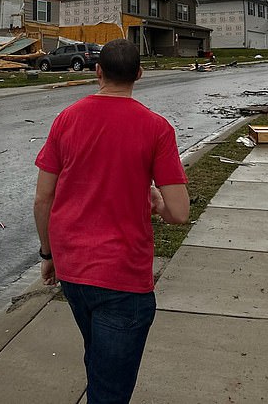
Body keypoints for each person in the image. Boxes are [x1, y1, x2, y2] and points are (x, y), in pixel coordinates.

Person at [34, 38, 189, 404]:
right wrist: (155, 201)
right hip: (123, 279)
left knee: (98, 360)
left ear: (97, 72)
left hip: (73, 271)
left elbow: (43, 198)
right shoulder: (156, 128)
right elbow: (179, 213)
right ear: (139, 74)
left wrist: (47, 254)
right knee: (110, 389)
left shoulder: (66, 119)